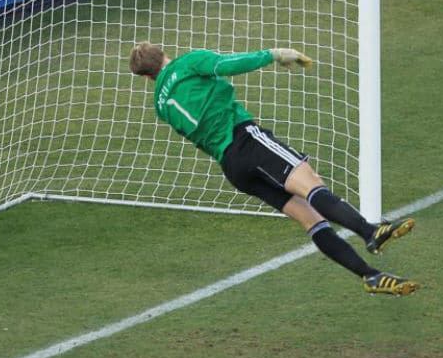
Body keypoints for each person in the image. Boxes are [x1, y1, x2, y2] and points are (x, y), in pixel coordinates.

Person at [129, 42, 420, 295]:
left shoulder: (161, 105)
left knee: (312, 220)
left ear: (146, 76)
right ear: (164, 53)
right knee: (311, 185)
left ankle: (369, 275)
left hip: (232, 167)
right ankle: (370, 232)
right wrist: (274, 54)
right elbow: (230, 64)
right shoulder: (189, 62)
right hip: (246, 139)